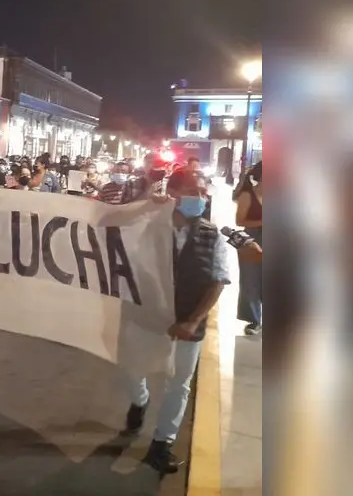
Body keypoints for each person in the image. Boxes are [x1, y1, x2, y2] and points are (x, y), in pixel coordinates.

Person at [123, 168, 232, 474]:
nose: (200, 198)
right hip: (145, 317)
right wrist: (146, 205)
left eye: (203, 192)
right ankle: (139, 399)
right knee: (131, 368)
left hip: (187, 321)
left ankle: (161, 444)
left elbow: (218, 280)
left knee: (179, 383)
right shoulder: (147, 226)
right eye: (193, 191)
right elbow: (109, 228)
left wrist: (193, 321)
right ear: (173, 193)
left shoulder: (211, 235)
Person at [233, 161, 263, 335]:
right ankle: (254, 320)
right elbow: (240, 221)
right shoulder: (247, 195)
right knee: (250, 281)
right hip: (252, 240)